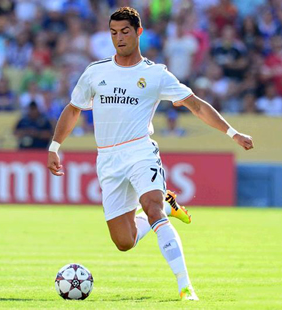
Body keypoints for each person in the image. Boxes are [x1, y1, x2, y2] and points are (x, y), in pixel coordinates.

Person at [47, 7, 254, 301]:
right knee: (124, 241)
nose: (119, 38)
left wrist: (233, 133)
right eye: (114, 32)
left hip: (140, 150)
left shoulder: (155, 74)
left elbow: (195, 104)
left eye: (125, 32)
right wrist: (55, 146)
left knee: (152, 208)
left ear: (139, 32)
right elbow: (73, 109)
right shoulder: (96, 72)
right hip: (108, 159)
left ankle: (185, 286)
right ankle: (168, 207)